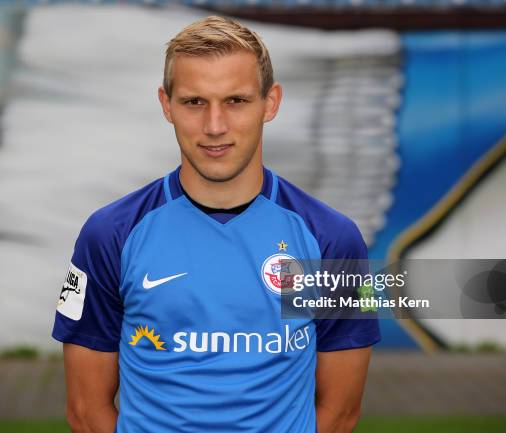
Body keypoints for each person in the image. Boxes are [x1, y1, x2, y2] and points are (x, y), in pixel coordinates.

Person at [52, 15, 380, 433]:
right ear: (166, 104)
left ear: (271, 103)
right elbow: (85, 409)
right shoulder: (109, 235)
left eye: (236, 101)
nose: (214, 126)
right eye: (194, 102)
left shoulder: (332, 239)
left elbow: (340, 413)